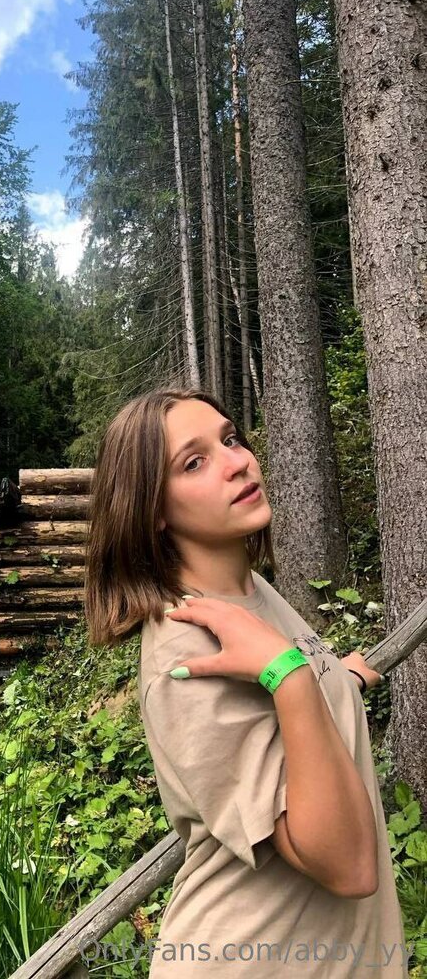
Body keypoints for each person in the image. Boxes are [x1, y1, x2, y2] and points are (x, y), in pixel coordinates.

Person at [84, 387, 411, 977]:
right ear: (152, 509)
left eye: (231, 439)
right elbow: (347, 866)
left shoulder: (250, 593)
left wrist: (339, 680)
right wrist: (291, 676)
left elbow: (293, 716)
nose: (237, 462)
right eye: (194, 462)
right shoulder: (188, 651)